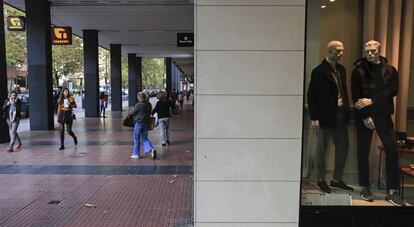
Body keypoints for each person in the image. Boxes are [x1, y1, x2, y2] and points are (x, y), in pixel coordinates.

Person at [351, 40, 405, 206]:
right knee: (363, 152)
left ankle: (392, 191)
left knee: (392, 150)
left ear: (379, 50)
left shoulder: (390, 70)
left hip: (383, 115)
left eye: (373, 51)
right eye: (367, 51)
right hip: (365, 117)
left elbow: (393, 90)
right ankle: (365, 187)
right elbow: (356, 96)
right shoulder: (358, 71)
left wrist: (372, 100)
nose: (370, 54)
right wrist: (365, 115)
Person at [307, 40, 353, 194]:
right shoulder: (319, 71)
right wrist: (314, 117)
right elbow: (311, 95)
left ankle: (336, 179)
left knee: (343, 147)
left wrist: (346, 111)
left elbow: (343, 91)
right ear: (330, 51)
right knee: (321, 149)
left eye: (342, 50)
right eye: (338, 51)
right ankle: (320, 179)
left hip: (340, 114)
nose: (341, 53)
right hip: (324, 116)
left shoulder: (341, 69)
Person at [129, 92, 156, 159]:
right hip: (146, 123)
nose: (137, 98)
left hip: (138, 123)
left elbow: (132, 113)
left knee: (136, 139)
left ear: (140, 97)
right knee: (145, 138)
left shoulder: (139, 104)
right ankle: (151, 149)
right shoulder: (149, 104)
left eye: (138, 97)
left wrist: (132, 110)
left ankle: (136, 154)